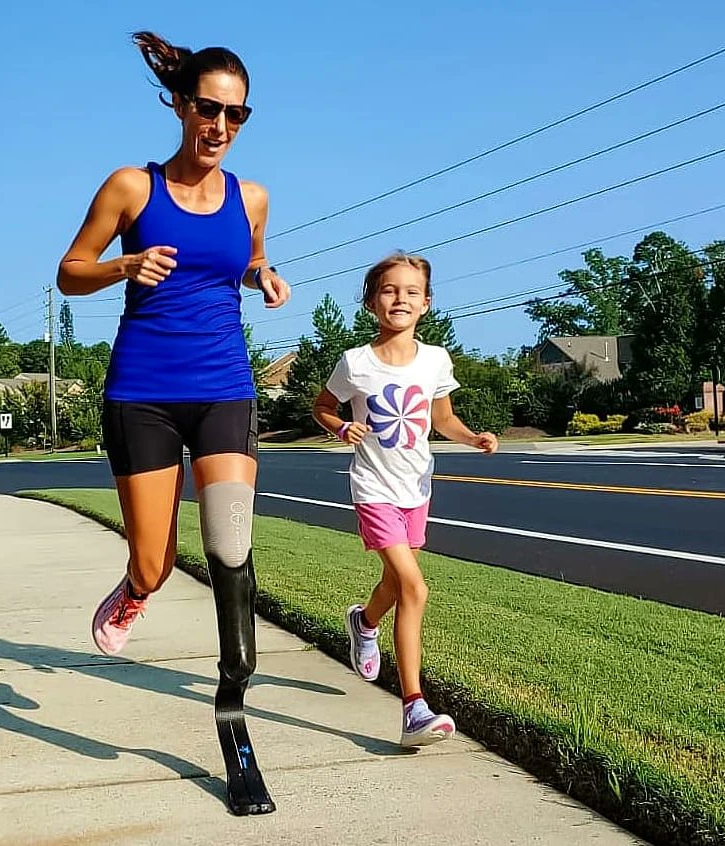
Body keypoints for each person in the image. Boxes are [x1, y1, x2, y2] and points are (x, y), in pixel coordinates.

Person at [57, 30, 289, 815]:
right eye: (207, 108)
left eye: (236, 113)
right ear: (180, 105)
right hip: (143, 394)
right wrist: (125, 264)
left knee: (230, 546)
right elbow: (69, 270)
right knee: (156, 563)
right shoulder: (132, 186)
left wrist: (264, 275)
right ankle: (135, 589)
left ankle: (233, 717)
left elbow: (246, 255)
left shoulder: (251, 196)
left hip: (224, 387)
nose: (220, 124)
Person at [312, 252, 498, 747]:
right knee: (415, 588)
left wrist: (472, 437)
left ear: (427, 304)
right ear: (372, 301)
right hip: (373, 488)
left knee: (396, 585)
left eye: (411, 292)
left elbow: (442, 419)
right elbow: (323, 407)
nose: (401, 298)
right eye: (390, 290)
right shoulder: (355, 362)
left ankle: (365, 620)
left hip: (416, 488)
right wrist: (340, 425)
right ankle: (414, 707)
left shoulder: (436, 359)